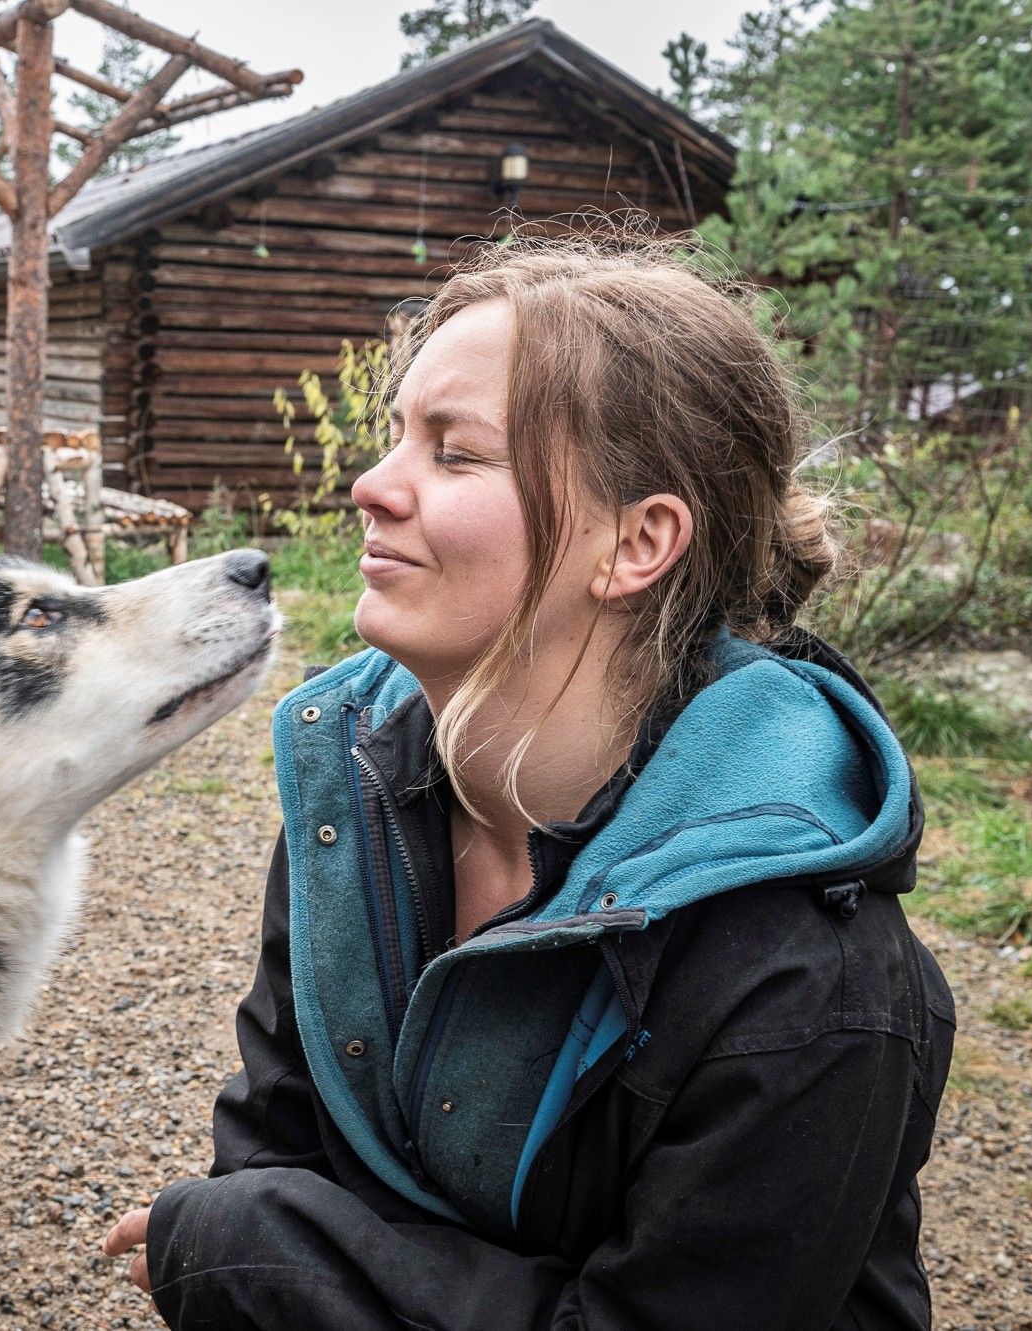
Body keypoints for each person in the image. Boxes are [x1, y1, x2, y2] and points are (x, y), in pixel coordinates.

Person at [103, 235, 955, 1330]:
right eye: (394, 436)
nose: (370, 485)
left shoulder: (810, 976)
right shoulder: (356, 792)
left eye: (452, 454)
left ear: (634, 541)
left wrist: (251, 1259)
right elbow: (281, 1146)